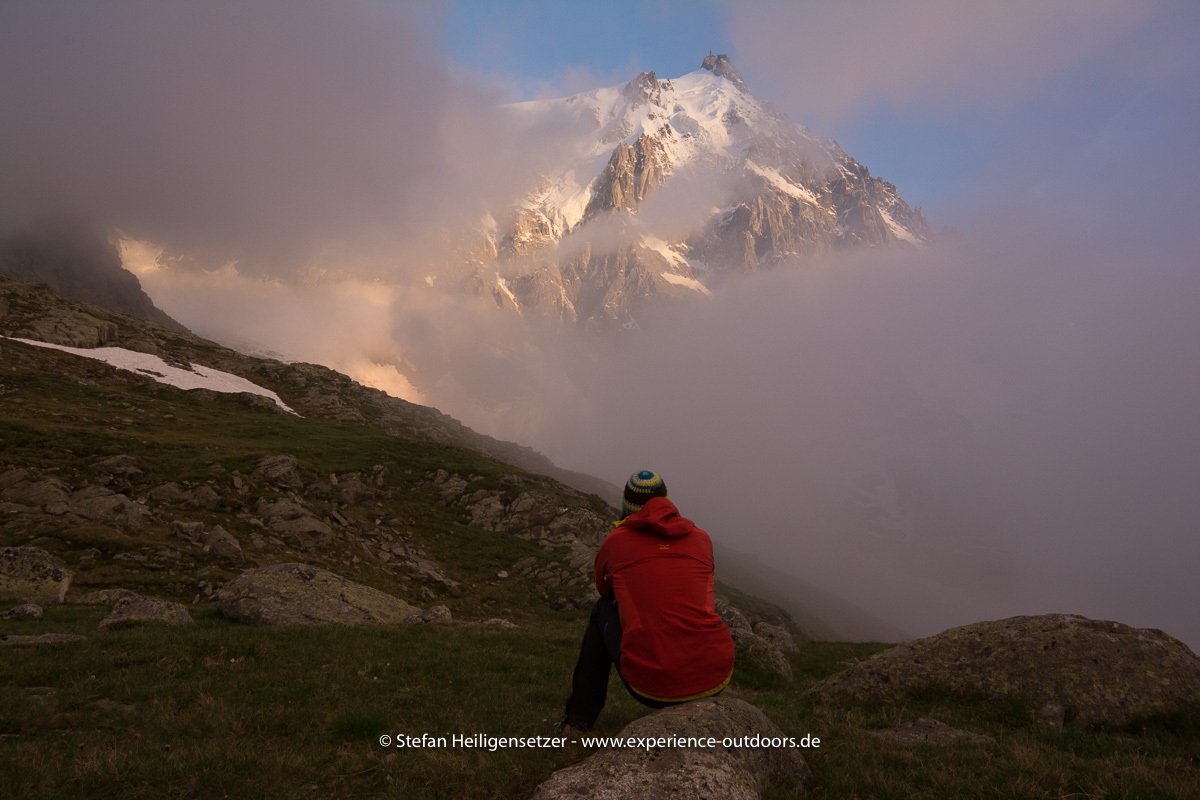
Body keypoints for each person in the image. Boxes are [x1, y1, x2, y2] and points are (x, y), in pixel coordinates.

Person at [558, 470, 735, 733]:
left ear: (627, 506)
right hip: (715, 675)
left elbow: (604, 589)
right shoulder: (701, 538)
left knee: (602, 609)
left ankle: (577, 721)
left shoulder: (616, 541)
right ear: (666, 500)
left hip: (652, 685)